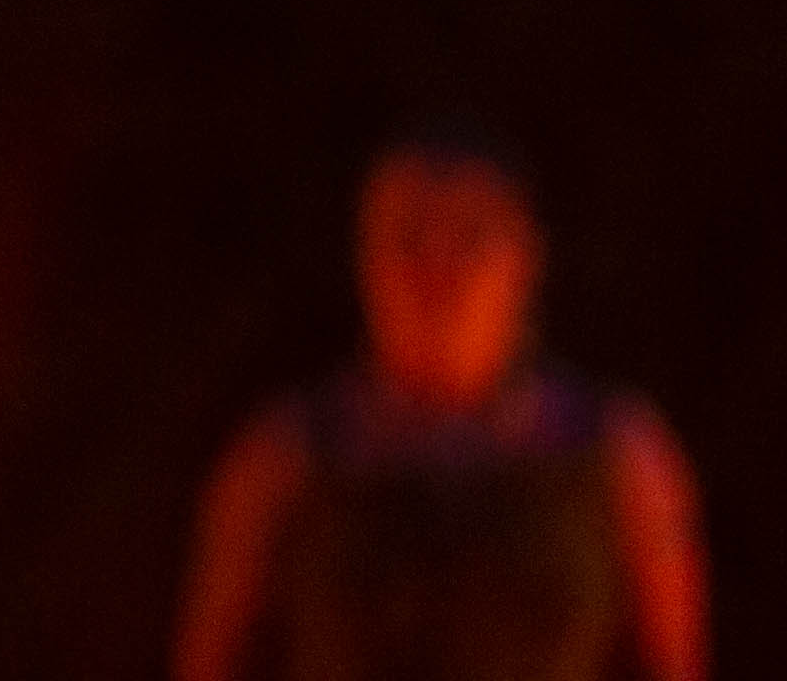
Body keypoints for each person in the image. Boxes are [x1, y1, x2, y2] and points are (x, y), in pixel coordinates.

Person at [171, 123, 707, 681]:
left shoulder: (618, 459)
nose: (437, 265)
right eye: (409, 234)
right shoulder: (282, 461)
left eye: (471, 234)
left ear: (527, 257)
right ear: (364, 254)